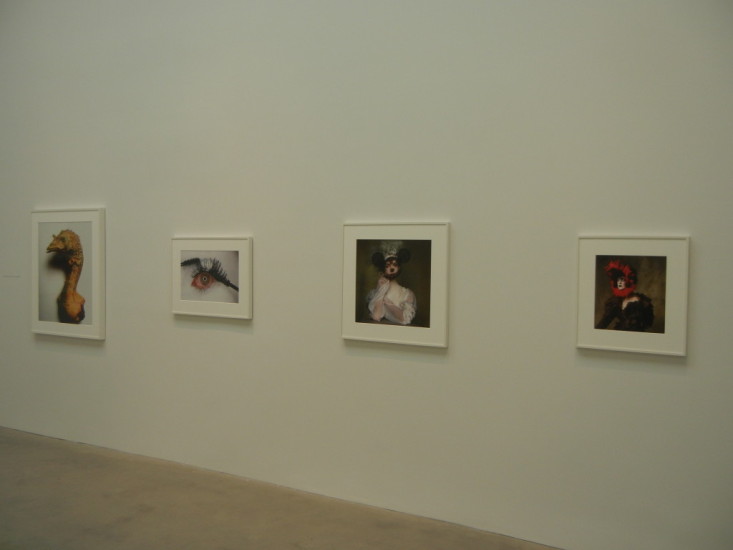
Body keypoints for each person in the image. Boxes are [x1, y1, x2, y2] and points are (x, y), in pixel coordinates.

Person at [596, 260, 654, 331]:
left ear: (629, 280)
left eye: (622, 279)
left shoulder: (640, 301)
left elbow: (645, 324)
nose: (619, 282)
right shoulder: (615, 302)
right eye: (618, 280)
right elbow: (604, 322)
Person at [366, 243, 416, 325]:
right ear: (383, 269)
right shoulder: (377, 291)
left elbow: (405, 319)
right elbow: (376, 316)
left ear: (399, 267)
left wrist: (388, 304)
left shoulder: (407, 294)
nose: (392, 268)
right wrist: (381, 289)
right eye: (387, 266)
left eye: (395, 265)